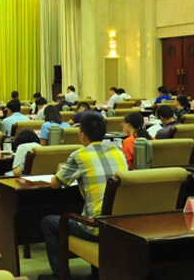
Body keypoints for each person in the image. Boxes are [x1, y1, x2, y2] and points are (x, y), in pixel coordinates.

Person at [39, 114, 128, 280]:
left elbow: (55, 184)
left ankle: (60, 275)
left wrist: (60, 172)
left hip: (95, 227)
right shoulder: (118, 152)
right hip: (119, 225)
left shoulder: (79, 155)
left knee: (48, 222)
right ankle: (96, 272)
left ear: (82, 134)